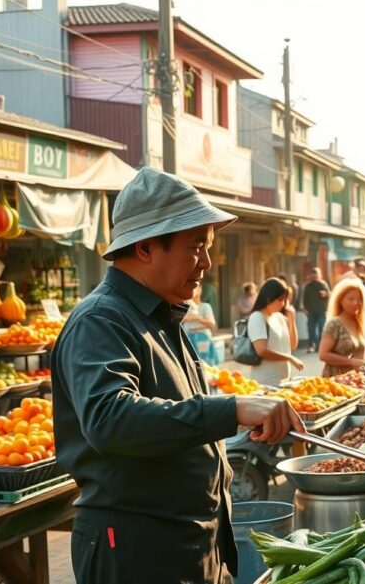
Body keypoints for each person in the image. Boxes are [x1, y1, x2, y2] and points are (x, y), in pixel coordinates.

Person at [51, 167, 303, 584]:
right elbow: (111, 419)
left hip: (187, 546)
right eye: (195, 247)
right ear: (147, 247)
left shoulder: (161, 316)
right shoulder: (101, 321)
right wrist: (234, 408)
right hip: (136, 551)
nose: (206, 262)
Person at [246, 278, 304, 385]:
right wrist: (289, 358)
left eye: (285, 300)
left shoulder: (279, 317)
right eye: (281, 299)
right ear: (269, 298)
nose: (284, 304)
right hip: (266, 382)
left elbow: (292, 345)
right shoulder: (257, 317)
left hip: (284, 380)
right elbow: (262, 351)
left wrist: (292, 319)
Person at [319, 279, 365, 377]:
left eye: (359, 299)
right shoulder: (334, 324)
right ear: (340, 300)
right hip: (335, 381)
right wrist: (350, 361)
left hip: (355, 380)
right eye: (351, 299)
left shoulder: (358, 323)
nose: (356, 303)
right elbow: (323, 354)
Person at [183, 283, 218, 364]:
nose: (192, 290)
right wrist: (186, 318)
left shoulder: (205, 306)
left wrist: (198, 318)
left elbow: (211, 323)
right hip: (188, 337)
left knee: (205, 364)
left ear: (200, 289)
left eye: (195, 288)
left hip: (202, 338)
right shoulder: (185, 306)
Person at [301, 268, 330, 353]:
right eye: (312, 274)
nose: (314, 276)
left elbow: (329, 294)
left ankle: (320, 346)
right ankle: (311, 345)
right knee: (311, 329)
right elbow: (305, 298)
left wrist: (326, 294)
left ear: (319, 275)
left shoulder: (323, 284)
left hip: (321, 310)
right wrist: (305, 308)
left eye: (316, 274)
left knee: (322, 329)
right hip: (311, 311)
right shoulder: (308, 286)